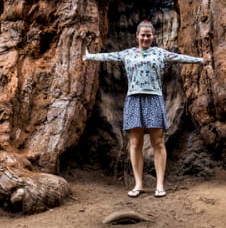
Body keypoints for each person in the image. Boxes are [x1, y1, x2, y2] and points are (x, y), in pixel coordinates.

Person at [83, 20, 206, 198]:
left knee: (158, 142)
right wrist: (89, 57)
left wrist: (202, 60)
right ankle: (139, 184)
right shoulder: (128, 54)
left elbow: (181, 58)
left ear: (153, 36)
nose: (146, 38)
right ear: (137, 36)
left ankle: (160, 185)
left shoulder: (160, 53)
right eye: (143, 35)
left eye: (149, 35)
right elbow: (109, 56)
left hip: (154, 99)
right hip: (134, 99)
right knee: (135, 144)